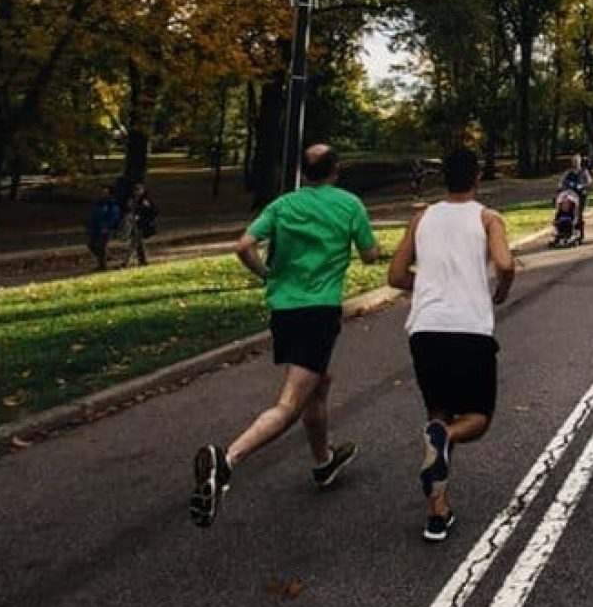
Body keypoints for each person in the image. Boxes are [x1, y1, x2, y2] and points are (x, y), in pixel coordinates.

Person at [189, 144, 380, 528]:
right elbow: (371, 256)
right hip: (318, 311)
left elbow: (243, 245)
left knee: (320, 383)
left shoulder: (283, 205)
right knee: (290, 403)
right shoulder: (349, 204)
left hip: (284, 310)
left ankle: (323, 463)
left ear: (303, 172)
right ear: (336, 169)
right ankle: (227, 462)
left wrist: (266, 274)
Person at [387, 147, 516, 542]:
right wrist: (502, 290)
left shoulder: (421, 217)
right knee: (477, 418)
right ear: (477, 179)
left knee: (438, 415)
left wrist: (426, 286)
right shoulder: (488, 218)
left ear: (444, 179)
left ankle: (437, 513)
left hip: (425, 330)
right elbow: (506, 264)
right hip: (470, 329)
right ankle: (448, 441)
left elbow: (394, 276)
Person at [85, 185, 122, 270]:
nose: (103, 194)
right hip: (96, 228)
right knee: (91, 245)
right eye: (102, 192)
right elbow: (93, 215)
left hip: (106, 229)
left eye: (105, 192)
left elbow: (114, 217)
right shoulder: (98, 204)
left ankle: (103, 265)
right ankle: (105, 258)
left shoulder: (112, 205)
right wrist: (90, 226)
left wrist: (107, 226)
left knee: (101, 246)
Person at [559, 153, 593, 240]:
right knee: (568, 212)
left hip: (581, 195)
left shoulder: (584, 172)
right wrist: (562, 187)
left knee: (579, 214)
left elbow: (589, 182)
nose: (575, 163)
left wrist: (582, 186)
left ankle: (580, 234)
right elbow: (562, 182)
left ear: (580, 162)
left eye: (577, 161)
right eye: (574, 161)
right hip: (570, 195)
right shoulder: (568, 172)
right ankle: (566, 231)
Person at [125, 182, 159, 265]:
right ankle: (143, 261)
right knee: (138, 243)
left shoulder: (146, 200)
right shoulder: (133, 200)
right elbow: (130, 210)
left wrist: (141, 216)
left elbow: (153, 212)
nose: (136, 192)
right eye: (135, 190)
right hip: (135, 224)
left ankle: (126, 261)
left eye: (138, 190)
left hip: (143, 224)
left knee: (134, 242)